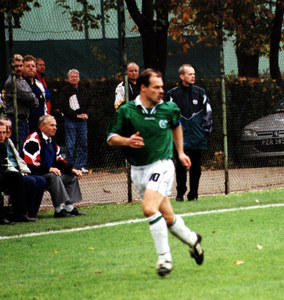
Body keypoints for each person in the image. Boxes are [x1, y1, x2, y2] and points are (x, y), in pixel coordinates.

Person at [107, 69, 204, 277]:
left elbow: (176, 126)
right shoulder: (127, 110)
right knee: (167, 217)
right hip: (137, 170)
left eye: (162, 87)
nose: (162, 91)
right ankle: (192, 240)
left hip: (162, 165)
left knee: (150, 209)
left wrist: (180, 152)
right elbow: (111, 137)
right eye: (156, 87)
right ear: (143, 88)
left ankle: (164, 259)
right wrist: (127, 141)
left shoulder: (168, 108)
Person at [164, 64, 212, 202]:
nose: (193, 76)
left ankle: (194, 194)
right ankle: (180, 193)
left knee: (196, 168)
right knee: (180, 167)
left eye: (194, 74)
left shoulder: (200, 92)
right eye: (190, 74)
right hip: (180, 138)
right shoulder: (172, 94)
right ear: (181, 76)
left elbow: (208, 112)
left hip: (197, 137)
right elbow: (167, 114)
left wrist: (205, 130)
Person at [23, 115, 86, 218]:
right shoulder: (33, 140)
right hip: (36, 175)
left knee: (71, 176)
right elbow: (31, 163)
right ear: (42, 126)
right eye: (51, 125)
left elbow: (59, 160)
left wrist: (72, 170)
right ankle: (58, 210)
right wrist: (49, 169)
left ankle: (69, 207)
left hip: (49, 174)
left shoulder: (51, 141)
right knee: (53, 176)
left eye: (55, 125)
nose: (55, 128)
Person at [0, 117, 46, 219]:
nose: (8, 130)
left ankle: (32, 213)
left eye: (10, 128)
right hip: (9, 173)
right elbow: (6, 163)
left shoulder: (9, 142)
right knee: (30, 181)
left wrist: (25, 171)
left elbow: (19, 159)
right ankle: (21, 212)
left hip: (18, 172)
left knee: (41, 180)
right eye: (6, 127)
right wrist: (19, 174)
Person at [4, 54, 39, 151]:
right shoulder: (12, 82)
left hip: (24, 120)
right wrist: (31, 99)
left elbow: (35, 101)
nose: (18, 69)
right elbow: (30, 97)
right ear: (10, 67)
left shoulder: (22, 80)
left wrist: (31, 99)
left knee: (24, 147)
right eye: (16, 66)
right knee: (18, 148)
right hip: (16, 120)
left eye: (20, 66)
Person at [59, 69, 91, 173]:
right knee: (70, 144)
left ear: (79, 78)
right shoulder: (65, 90)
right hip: (70, 120)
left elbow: (90, 104)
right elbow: (64, 107)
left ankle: (80, 166)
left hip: (83, 121)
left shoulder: (84, 90)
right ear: (68, 79)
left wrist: (86, 114)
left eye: (76, 76)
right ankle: (70, 167)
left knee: (83, 143)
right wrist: (76, 115)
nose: (74, 78)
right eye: (72, 77)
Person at [23, 55, 48, 135]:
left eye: (33, 66)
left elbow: (46, 97)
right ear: (23, 68)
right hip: (25, 125)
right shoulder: (18, 82)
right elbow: (1, 98)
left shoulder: (38, 83)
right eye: (28, 66)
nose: (31, 68)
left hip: (39, 124)